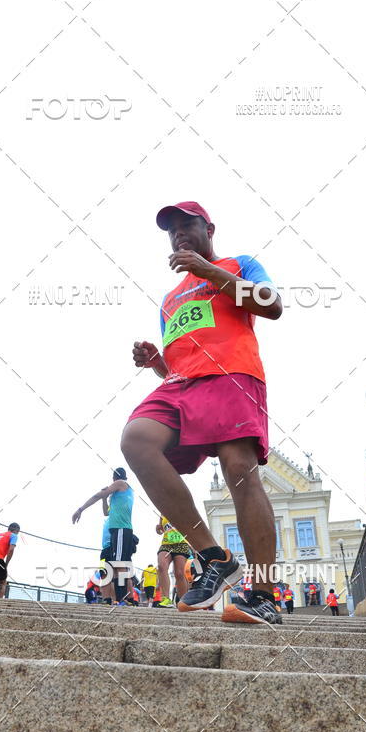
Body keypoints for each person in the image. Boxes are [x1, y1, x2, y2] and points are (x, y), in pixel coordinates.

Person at [120, 201, 282, 625]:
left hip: (232, 373)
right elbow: (176, 363)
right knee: (136, 440)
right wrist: (156, 361)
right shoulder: (170, 298)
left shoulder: (239, 263)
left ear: (209, 227)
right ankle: (214, 557)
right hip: (180, 385)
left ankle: (264, 595)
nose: (178, 234)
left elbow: (271, 303)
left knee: (238, 468)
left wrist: (210, 271)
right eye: (170, 230)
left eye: (186, 224)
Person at [72, 467, 135, 604]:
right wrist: (105, 499)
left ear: (114, 478)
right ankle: (115, 599)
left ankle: (122, 599)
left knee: (119, 564)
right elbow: (106, 513)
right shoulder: (119, 495)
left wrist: (80, 509)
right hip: (116, 533)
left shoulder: (120, 484)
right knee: (111, 567)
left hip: (121, 530)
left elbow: (97, 495)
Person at [156, 515, 191, 601]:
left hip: (181, 542)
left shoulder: (182, 508)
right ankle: (165, 599)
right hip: (166, 544)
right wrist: (158, 529)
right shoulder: (162, 512)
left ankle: (183, 601)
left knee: (179, 573)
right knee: (161, 566)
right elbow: (161, 530)